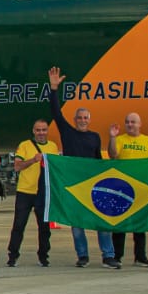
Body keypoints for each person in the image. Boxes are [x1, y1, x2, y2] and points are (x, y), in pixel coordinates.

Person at [48, 67, 119, 268]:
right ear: (75, 120)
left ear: (89, 120)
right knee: (77, 225)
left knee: (102, 222)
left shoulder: (95, 137)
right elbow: (55, 111)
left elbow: (97, 160)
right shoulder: (67, 132)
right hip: (74, 186)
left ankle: (108, 255)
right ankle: (83, 256)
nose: (82, 121)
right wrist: (54, 89)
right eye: (79, 118)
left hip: (93, 185)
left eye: (85, 118)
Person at [108, 112, 148, 267]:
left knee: (140, 225)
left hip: (141, 190)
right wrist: (112, 137)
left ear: (140, 124)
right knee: (120, 224)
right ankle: (117, 256)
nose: (130, 124)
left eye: (133, 122)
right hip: (122, 189)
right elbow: (113, 155)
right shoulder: (120, 139)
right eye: (127, 122)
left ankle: (140, 257)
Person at [6, 119, 60, 267]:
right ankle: (13, 255)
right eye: (38, 130)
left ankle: (43, 256)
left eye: (44, 130)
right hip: (25, 191)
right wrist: (33, 160)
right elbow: (17, 166)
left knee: (44, 227)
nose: (41, 133)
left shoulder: (53, 147)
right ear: (33, 131)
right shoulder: (25, 145)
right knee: (19, 225)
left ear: (47, 131)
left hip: (43, 192)